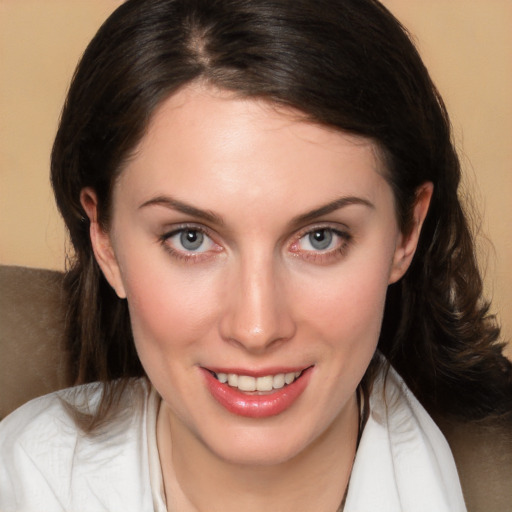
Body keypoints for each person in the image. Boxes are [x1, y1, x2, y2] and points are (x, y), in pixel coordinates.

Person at [0, 0, 510, 510]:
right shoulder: (22, 480)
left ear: (407, 231)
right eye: (190, 238)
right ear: (106, 241)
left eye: (320, 237)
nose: (257, 328)